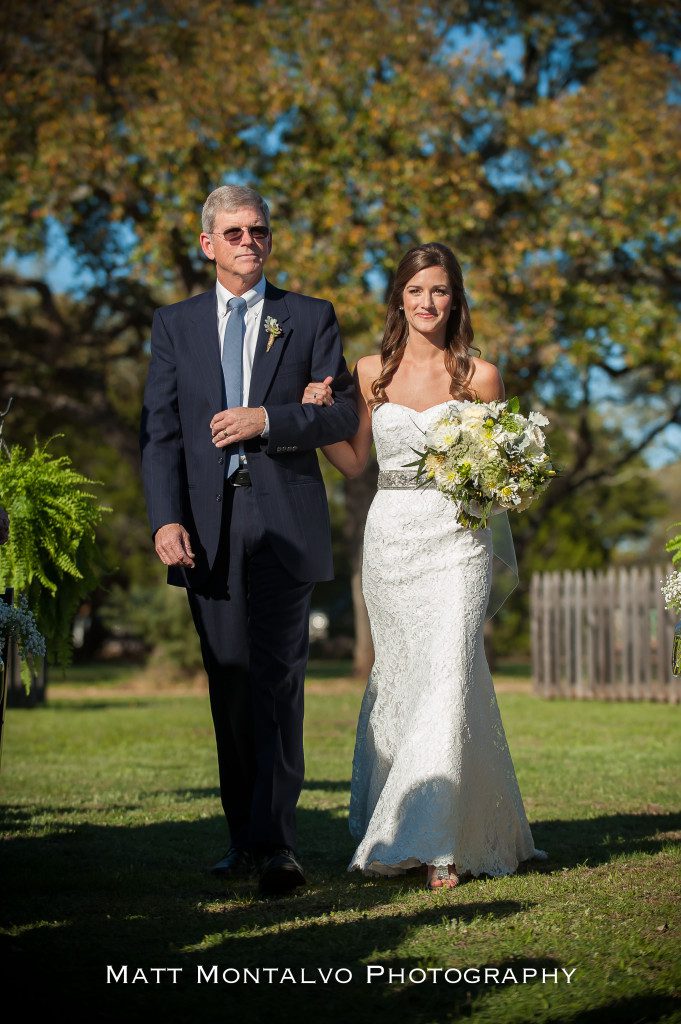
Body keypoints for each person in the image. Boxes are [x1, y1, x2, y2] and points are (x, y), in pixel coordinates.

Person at [303, 242, 546, 889]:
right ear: (399, 299)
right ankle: (449, 822)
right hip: (391, 540)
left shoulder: (481, 377)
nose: (427, 302)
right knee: (408, 680)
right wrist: (315, 413)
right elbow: (355, 463)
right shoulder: (369, 372)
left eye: (438, 290)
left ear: (454, 297)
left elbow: (499, 477)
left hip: (457, 543)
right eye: (415, 291)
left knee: (447, 676)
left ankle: (435, 844)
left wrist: (502, 476)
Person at [140, 185, 358, 896]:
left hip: (283, 525)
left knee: (277, 683)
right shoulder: (173, 326)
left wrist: (268, 419)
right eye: (232, 232)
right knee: (229, 683)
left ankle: (277, 848)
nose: (247, 242)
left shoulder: (309, 318)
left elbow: (339, 418)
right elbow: (161, 432)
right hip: (205, 532)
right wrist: (164, 518)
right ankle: (242, 839)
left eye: (258, 230)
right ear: (207, 244)